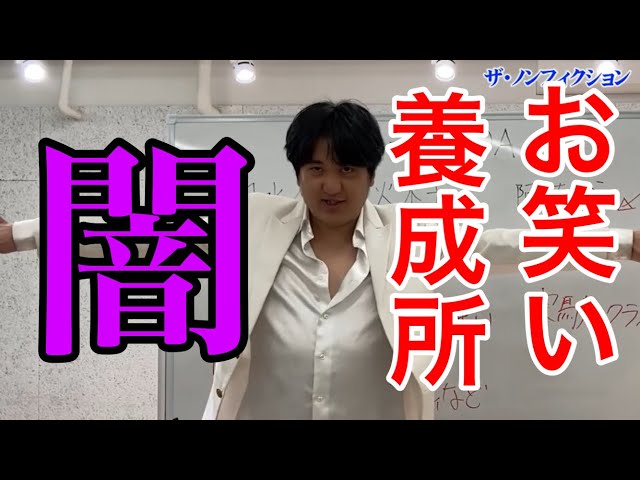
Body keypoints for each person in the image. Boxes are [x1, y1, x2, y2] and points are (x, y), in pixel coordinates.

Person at [2, 100, 640, 420]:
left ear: (371, 175)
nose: (331, 185)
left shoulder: (412, 235)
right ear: (297, 172)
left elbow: (507, 242)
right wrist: (20, 236)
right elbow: (133, 230)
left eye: (348, 169)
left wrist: (621, 242)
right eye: (315, 169)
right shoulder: (248, 220)